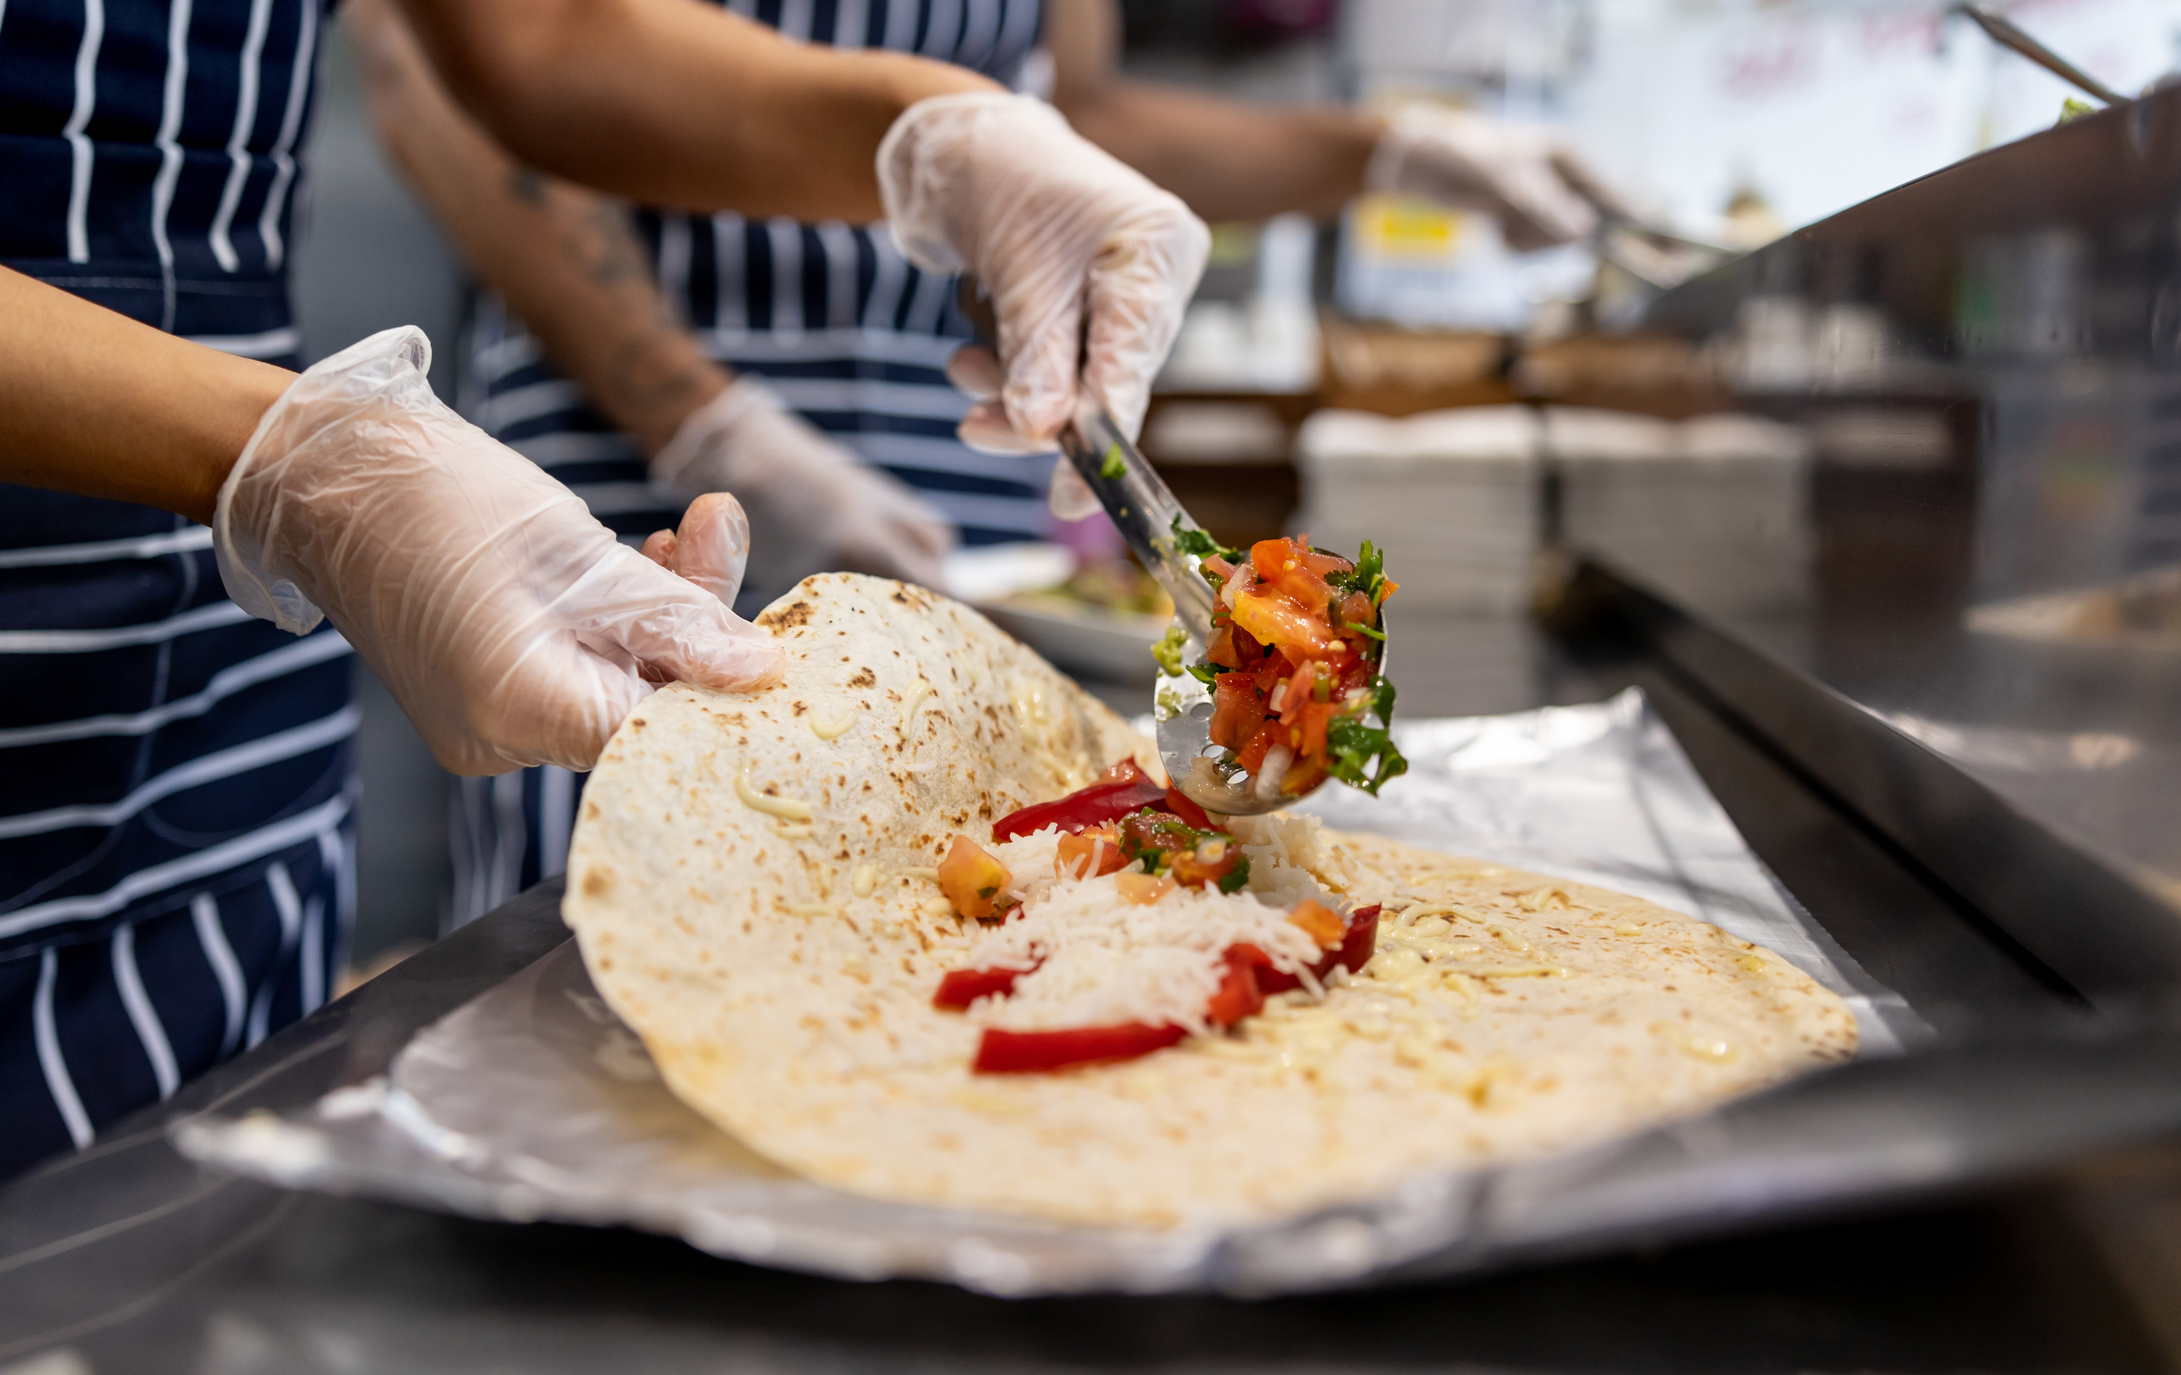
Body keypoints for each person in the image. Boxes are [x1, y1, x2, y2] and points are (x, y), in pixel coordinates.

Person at [0, 0, 1209, 1178]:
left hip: (230, 662)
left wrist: (931, 135)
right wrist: (289, 462)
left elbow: (542, 34)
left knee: (194, 1240)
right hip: (171, 512)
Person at [346, 0, 1617, 921]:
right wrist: (698, 414)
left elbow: (1080, 112)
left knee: (969, 908)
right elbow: (460, 58)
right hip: (625, 428)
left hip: (965, 425)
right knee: (613, 902)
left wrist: (1379, 153)